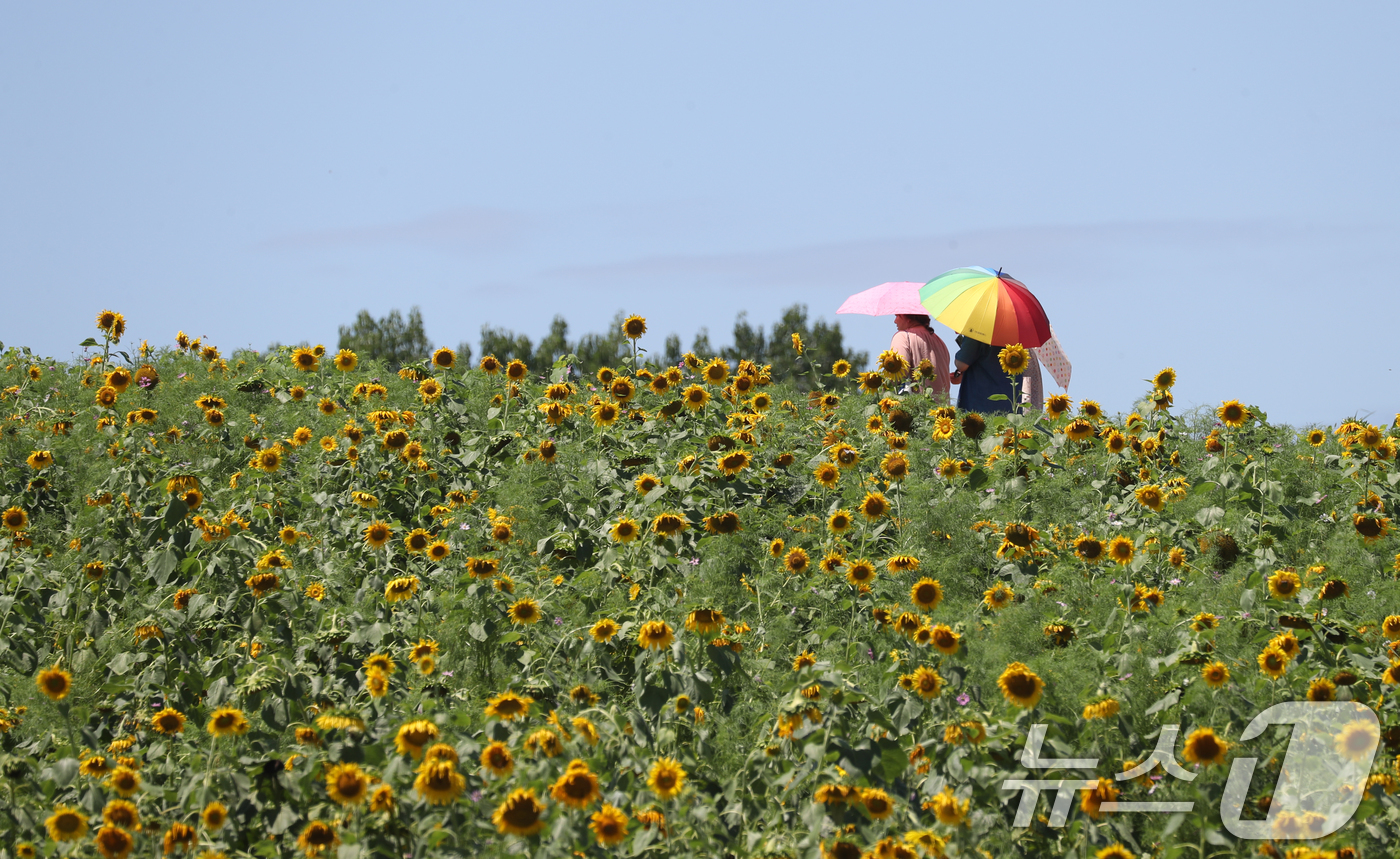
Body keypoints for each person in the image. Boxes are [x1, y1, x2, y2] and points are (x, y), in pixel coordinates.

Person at [889, 314, 950, 401]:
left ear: (908, 318)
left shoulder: (902, 336)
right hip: (942, 411)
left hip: (917, 410)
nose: (895, 321)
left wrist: (882, 390)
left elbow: (897, 373)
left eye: (898, 316)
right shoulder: (940, 342)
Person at [949, 335, 1014, 413]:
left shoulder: (979, 328)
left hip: (982, 403)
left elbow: (961, 364)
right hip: (1010, 402)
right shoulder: (1016, 333)